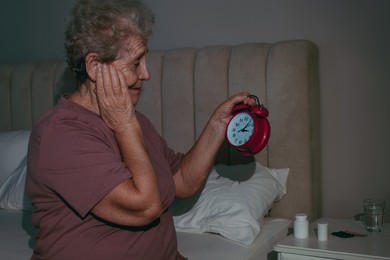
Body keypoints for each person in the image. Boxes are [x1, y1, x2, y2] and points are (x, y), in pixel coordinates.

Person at [26, 0, 255, 259]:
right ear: (94, 66)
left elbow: (183, 181)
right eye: (136, 63)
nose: (146, 74)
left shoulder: (134, 121)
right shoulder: (61, 135)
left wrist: (217, 125)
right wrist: (124, 125)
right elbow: (144, 208)